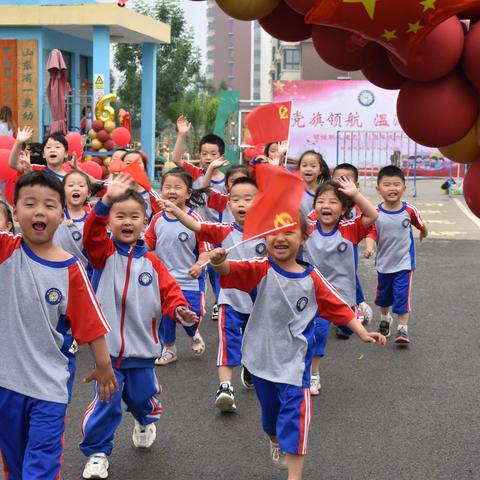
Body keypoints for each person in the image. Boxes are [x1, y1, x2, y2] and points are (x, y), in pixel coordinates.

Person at [208, 217, 385, 480]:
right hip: (260, 359)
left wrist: (362, 332)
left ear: (303, 238)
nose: (280, 238)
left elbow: (338, 307)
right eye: (274, 233)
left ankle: (294, 475)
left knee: (295, 421)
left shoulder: (312, 277)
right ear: (265, 239)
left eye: (289, 232)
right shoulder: (260, 268)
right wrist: (218, 261)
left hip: (295, 363)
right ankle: (275, 440)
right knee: (270, 420)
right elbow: (230, 270)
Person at [80, 173, 198, 479]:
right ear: (109, 223)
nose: (127, 221)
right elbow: (91, 233)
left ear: (145, 222)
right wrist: (105, 202)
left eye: (134, 216)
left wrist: (181, 310)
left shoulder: (154, 264)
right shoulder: (101, 255)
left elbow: (171, 293)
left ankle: (145, 418)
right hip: (107, 350)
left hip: (143, 348)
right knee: (106, 401)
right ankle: (96, 452)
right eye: (120, 216)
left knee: (140, 396)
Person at [0, 171, 117, 479]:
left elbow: (90, 323)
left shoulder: (70, 267)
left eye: (50, 205)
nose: (39, 211)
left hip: (50, 386)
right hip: (6, 383)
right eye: (29, 203)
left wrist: (104, 365)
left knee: (41, 463)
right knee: (14, 463)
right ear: (14, 212)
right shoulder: (5, 251)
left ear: (61, 213)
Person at [159, 176, 267, 412]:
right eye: (236, 199)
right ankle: (225, 386)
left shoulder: (269, 233)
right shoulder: (223, 231)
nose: (241, 204)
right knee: (228, 341)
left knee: (254, 342)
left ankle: (249, 367)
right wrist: (177, 211)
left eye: (249, 199)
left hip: (261, 303)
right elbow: (197, 226)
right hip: (230, 299)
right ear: (229, 205)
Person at [302, 178, 378, 395]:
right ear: (314, 206)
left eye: (333, 202)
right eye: (321, 201)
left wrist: (355, 195)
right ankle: (313, 374)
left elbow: (372, 215)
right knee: (318, 330)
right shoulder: (307, 229)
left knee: (346, 329)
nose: (326, 205)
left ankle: (358, 312)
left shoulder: (349, 228)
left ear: (344, 208)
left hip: (343, 294)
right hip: (316, 292)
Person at [144, 168, 211, 365]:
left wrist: (200, 264)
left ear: (189, 193)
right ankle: (169, 348)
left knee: (192, 313)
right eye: (167, 187)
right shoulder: (156, 219)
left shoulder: (195, 219)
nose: (172, 191)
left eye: (177, 187)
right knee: (167, 314)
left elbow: (205, 247)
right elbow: (148, 245)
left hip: (190, 278)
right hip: (165, 279)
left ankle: (193, 332)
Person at [368, 165, 428, 344]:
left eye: (396, 184)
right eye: (387, 184)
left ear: (404, 188)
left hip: (404, 263)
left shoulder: (409, 210)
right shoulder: (375, 212)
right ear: (378, 189)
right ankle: (385, 319)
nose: (392, 188)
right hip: (384, 263)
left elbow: (420, 224)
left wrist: (424, 232)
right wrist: (369, 248)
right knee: (383, 297)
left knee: (402, 295)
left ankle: (403, 330)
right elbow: (371, 233)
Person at [202, 161, 250, 321]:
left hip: (247, 242)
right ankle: (221, 301)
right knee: (219, 272)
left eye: (242, 179)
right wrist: (210, 169)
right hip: (226, 241)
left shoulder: (254, 201)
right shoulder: (224, 200)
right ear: (227, 184)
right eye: (233, 181)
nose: (238, 184)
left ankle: (248, 305)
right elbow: (205, 189)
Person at [332, 163, 374, 326]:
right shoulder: (327, 201)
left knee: (348, 277)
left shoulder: (357, 207)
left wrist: (370, 246)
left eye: (346, 180)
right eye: (337, 179)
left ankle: (356, 306)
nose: (341, 183)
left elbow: (370, 222)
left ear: (356, 185)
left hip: (348, 251)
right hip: (326, 250)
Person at [171, 116, 226, 194]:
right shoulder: (195, 172)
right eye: (204, 154)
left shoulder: (227, 181)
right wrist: (182, 134)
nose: (208, 157)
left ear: (222, 157)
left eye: (213, 154)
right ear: (199, 155)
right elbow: (176, 159)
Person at [53, 170, 93, 276]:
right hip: (56, 270)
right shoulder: (55, 215)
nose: (76, 188)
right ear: (62, 191)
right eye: (70, 185)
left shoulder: (92, 221)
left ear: (89, 193)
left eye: (81, 185)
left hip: (84, 274)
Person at [121, 150, 160, 221]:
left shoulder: (151, 194)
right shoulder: (113, 190)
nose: (132, 166)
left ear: (144, 169)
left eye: (137, 163)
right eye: (128, 163)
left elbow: (160, 217)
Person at [297, 150, 331, 218]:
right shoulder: (294, 191)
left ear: (320, 170)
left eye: (313, 166)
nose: (308, 169)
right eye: (304, 165)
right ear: (299, 168)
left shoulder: (324, 193)